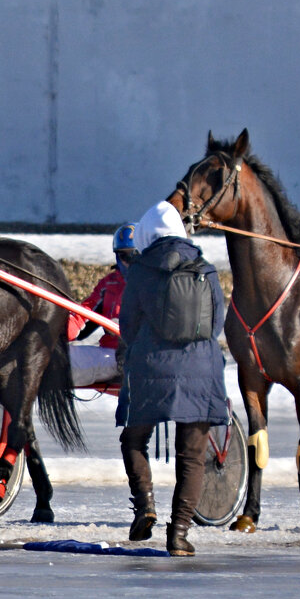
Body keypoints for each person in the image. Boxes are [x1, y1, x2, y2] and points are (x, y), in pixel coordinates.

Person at [116, 201, 228, 557]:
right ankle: (178, 534)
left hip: (151, 370)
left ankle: (145, 505)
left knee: (134, 440)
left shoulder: (140, 271)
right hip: (201, 371)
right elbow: (217, 324)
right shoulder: (206, 269)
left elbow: (128, 325)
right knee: (192, 456)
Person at [66, 223, 136, 387]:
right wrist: (56, 329)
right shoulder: (109, 283)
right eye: (124, 256)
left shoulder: (154, 283)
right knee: (46, 358)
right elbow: (83, 314)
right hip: (110, 353)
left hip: (139, 358)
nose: (130, 262)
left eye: (135, 256)